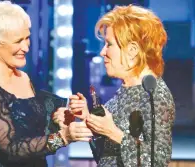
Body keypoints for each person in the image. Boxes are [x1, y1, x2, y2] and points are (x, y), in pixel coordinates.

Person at [0, 1, 92, 167]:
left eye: (27, 38)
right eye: (18, 41)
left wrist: (59, 119)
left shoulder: (23, 77)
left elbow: (33, 131)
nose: (25, 47)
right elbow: (12, 149)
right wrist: (63, 137)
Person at [60, 4, 175, 167]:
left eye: (109, 44)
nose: (102, 52)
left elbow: (157, 162)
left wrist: (112, 132)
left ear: (132, 50)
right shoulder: (126, 89)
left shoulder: (154, 95)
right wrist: (89, 119)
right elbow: (106, 157)